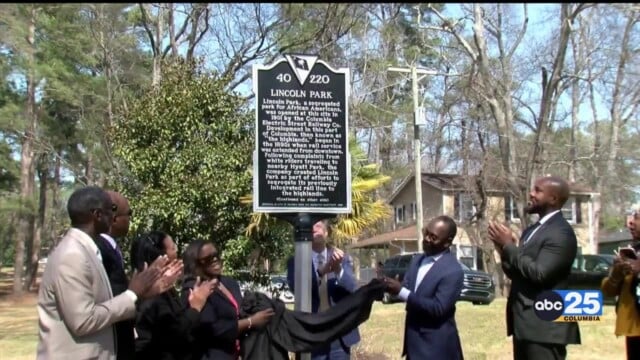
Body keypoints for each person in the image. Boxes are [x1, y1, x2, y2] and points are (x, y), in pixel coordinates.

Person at [36, 186, 180, 359]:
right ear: (97, 215)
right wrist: (131, 294)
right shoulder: (72, 255)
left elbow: (104, 305)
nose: (114, 216)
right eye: (110, 210)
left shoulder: (88, 251)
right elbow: (83, 321)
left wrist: (141, 295)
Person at [488, 176, 581, 360]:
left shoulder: (561, 232)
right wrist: (503, 250)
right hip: (524, 324)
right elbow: (518, 273)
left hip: (545, 328)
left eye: (538, 190)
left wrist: (509, 247)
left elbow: (540, 274)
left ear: (553, 199)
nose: (531, 193)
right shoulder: (532, 230)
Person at [382, 215, 464, 360]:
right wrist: (389, 287)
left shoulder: (453, 271)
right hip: (414, 345)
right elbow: (407, 289)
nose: (426, 239)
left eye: (433, 237)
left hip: (437, 348)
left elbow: (438, 308)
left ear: (447, 242)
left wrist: (401, 291)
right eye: (426, 233)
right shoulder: (417, 260)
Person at [181, 240, 274, 360]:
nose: (215, 259)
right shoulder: (194, 289)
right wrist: (251, 322)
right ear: (196, 264)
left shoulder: (228, 282)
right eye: (208, 258)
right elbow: (214, 330)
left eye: (216, 255)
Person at [133, 231, 218, 360]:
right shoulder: (152, 296)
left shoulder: (165, 291)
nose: (177, 251)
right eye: (173, 248)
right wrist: (196, 307)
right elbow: (175, 335)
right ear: (162, 258)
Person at [286, 219, 360, 360]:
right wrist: (321, 272)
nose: (313, 229)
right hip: (311, 335)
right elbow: (296, 289)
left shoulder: (341, 258)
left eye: (318, 226)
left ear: (326, 233)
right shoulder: (295, 261)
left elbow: (352, 288)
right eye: (310, 227)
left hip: (339, 336)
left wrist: (338, 269)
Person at [96, 190, 136, 359]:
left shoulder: (111, 247)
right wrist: (136, 291)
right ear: (114, 218)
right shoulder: (98, 248)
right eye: (129, 214)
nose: (130, 220)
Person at [601, 210, 640, 360]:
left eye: (636, 218)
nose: (630, 222)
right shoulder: (631, 251)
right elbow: (608, 291)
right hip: (634, 328)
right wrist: (616, 273)